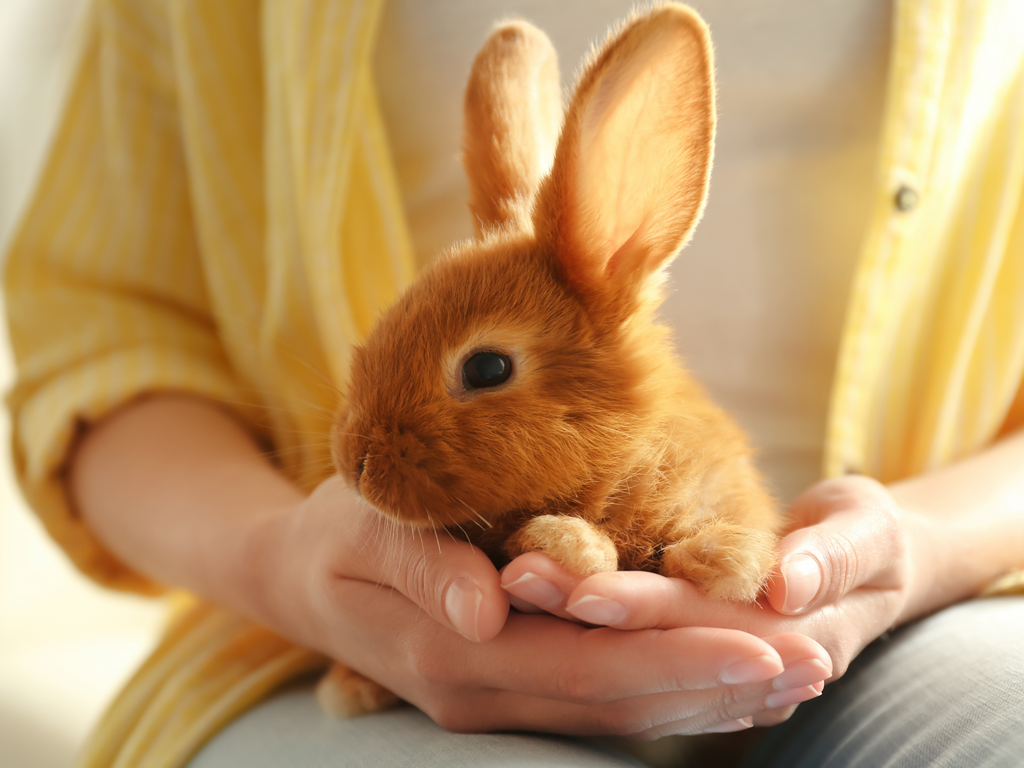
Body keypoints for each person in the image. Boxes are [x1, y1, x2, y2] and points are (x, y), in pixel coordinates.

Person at [5, 1, 1023, 766]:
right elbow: (106, 335)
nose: (359, 447)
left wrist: (918, 549)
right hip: (341, 649)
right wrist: (285, 570)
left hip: (923, 609)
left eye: (482, 370)